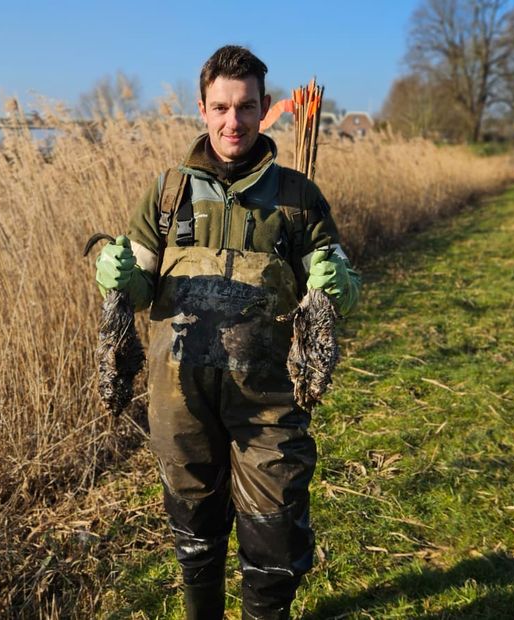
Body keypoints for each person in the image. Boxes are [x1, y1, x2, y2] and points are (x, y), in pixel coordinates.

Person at [94, 45, 361, 619]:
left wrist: (337, 281)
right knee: (196, 536)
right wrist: (120, 276)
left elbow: (347, 289)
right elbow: (139, 285)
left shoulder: (298, 198)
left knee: (274, 540)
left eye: (245, 107)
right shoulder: (167, 193)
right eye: (220, 107)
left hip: (268, 405)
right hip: (180, 404)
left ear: (265, 107)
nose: (232, 121)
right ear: (202, 109)